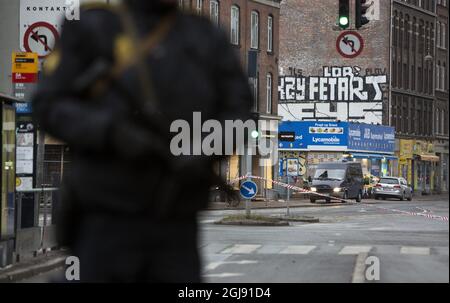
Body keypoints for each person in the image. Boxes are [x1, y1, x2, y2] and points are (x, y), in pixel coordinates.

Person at [33, 0, 252, 282]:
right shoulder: (94, 27)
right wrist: (109, 132)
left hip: (175, 218)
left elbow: (240, 113)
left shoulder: (204, 37)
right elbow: (48, 105)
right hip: (106, 216)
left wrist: (204, 150)